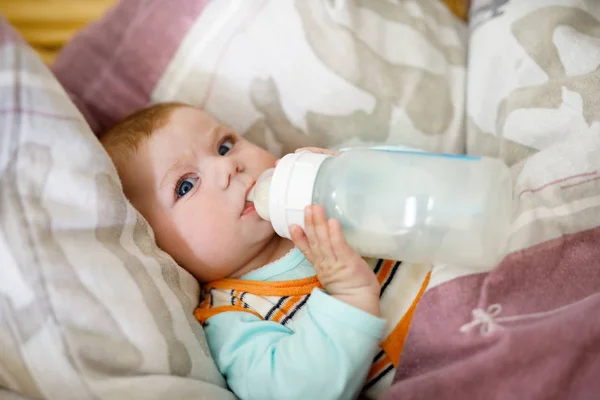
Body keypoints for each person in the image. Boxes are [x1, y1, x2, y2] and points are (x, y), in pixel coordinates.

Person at [101, 102, 429, 400]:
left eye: (224, 146)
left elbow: (428, 178)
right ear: (159, 248)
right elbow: (297, 392)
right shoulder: (234, 317)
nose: (227, 167)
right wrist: (348, 295)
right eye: (186, 185)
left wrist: (353, 172)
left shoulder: (327, 193)